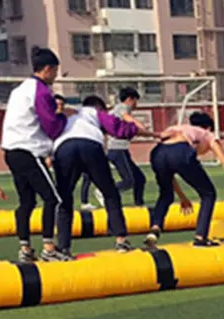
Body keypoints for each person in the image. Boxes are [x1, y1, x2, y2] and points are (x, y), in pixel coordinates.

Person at [52, 95, 155, 257]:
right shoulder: (95, 113)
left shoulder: (68, 116)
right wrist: (151, 134)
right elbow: (118, 129)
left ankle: (63, 246)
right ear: (99, 107)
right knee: (110, 193)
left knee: (64, 199)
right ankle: (121, 240)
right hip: (90, 146)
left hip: (64, 149)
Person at [1, 47, 67, 263]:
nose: (56, 76)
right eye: (55, 71)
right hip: (28, 150)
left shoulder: (19, 90)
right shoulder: (41, 91)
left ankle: (25, 248)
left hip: (11, 150)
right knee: (53, 199)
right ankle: (49, 247)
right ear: (47, 69)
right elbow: (51, 125)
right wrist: (64, 118)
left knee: (27, 201)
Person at [145, 112, 224, 249]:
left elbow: (171, 176)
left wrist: (183, 197)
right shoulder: (207, 134)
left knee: (165, 194)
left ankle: (155, 228)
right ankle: (200, 237)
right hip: (180, 152)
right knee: (208, 194)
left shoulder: (179, 128)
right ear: (208, 127)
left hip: (157, 153)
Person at [106, 87, 147, 207]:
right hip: (117, 150)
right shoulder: (122, 107)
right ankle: (106, 192)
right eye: (135, 101)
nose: (136, 104)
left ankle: (139, 204)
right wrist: (139, 124)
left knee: (140, 178)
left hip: (121, 150)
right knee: (129, 180)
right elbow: (127, 118)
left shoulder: (119, 110)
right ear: (129, 99)